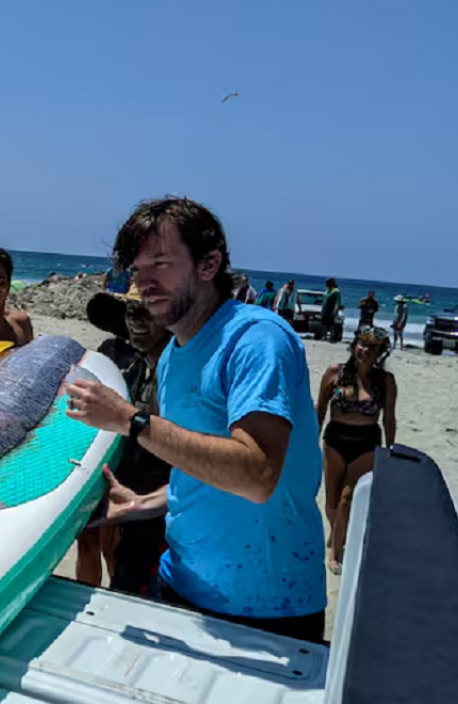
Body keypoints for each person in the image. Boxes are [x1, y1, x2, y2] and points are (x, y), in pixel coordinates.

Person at [66, 197, 325, 643]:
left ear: (209, 264)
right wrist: (142, 503)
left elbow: (257, 474)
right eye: (136, 269)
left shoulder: (256, 340)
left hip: (266, 605)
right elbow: (202, 469)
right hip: (180, 582)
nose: (143, 283)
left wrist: (133, 420)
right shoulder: (173, 357)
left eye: (160, 264)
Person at [77, 282, 172, 594]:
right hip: (110, 468)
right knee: (91, 541)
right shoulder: (111, 353)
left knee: (128, 564)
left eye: (147, 312)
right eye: (133, 311)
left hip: (154, 483)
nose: (138, 320)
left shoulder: (176, 368)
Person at [316, 326, 397, 574]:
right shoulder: (334, 373)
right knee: (331, 502)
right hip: (335, 440)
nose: (365, 350)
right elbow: (320, 409)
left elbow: (389, 419)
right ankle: (337, 533)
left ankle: (335, 553)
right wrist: (311, 440)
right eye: (362, 344)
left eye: (372, 347)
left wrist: (390, 451)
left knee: (346, 499)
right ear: (354, 346)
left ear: (380, 352)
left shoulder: (385, 381)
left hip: (366, 443)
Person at [320, 278, 343, 343]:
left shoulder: (336, 291)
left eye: (328, 282)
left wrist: (335, 310)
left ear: (332, 283)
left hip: (331, 310)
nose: (326, 284)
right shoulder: (327, 290)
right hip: (325, 310)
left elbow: (338, 302)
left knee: (332, 324)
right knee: (324, 324)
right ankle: (324, 336)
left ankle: (331, 337)